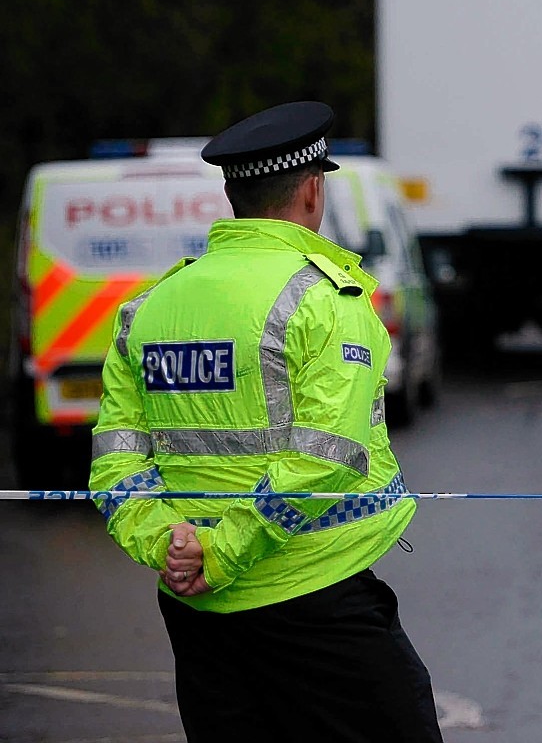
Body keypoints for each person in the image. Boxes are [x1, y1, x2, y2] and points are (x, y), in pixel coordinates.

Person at [89, 101, 442, 743]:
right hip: (315, 594)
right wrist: (219, 553)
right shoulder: (324, 299)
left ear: (232, 193)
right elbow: (327, 458)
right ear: (312, 189)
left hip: (196, 610)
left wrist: (171, 547)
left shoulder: (149, 308)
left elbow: (116, 461)